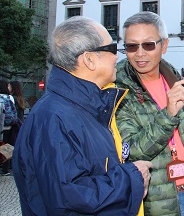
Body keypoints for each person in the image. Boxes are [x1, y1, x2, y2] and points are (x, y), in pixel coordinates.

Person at [12, 16, 152, 215]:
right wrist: (133, 177)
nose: (117, 57)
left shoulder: (85, 107)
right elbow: (71, 199)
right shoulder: (54, 117)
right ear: (89, 59)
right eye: (112, 49)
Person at [115, 12, 184, 216]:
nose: (139, 53)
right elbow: (131, 151)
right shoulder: (119, 91)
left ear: (164, 45)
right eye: (132, 46)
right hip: (157, 204)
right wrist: (168, 114)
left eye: (148, 44)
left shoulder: (176, 82)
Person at [1, 80, 16, 176]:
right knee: (5, 147)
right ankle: (5, 169)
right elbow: (14, 113)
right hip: (7, 127)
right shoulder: (9, 97)